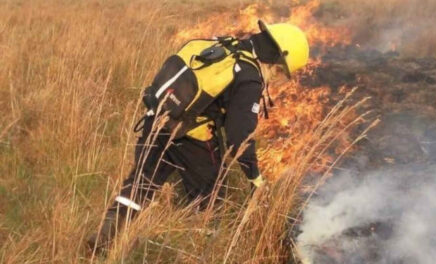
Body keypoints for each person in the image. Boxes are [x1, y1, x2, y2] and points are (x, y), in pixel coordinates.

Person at [87, 20, 309, 254]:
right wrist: (254, 177)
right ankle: (199, 252)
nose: (277, 78)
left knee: (139, 187)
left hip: (157, 120)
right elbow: (239, 137)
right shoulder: (249, 77)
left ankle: (103, 239)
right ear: (277, 62)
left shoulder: (226, 45)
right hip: (193, 138)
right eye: (281, 72)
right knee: (209, 202)